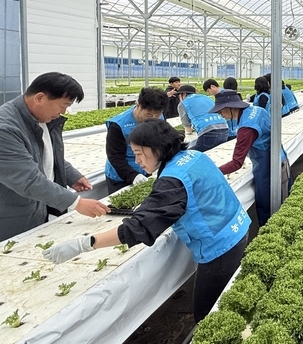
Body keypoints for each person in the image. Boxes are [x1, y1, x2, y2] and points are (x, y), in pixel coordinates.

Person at [43, 119, 250, 323]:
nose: (137, 161)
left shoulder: (173, 180)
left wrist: (85, 244)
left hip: (220, 247)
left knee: (207, 316)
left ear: (157, 149)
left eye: (139, 153)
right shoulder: (193, 156)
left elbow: (138, 227)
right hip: (237, 228)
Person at [0, 72, 110, 240]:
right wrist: (76, 202)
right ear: (40, 98)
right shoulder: (5, 129)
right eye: (63, 106)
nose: (63, 112)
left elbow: (45, 154)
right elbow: (28, 179)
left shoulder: (40, 119)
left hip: (35, 207)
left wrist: (71, 175)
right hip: (11, 218)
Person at [209, 90, 290, 226]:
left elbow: (236, 163)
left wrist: (213, 171)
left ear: (231, 107)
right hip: (280, 159)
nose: (220, 114)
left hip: (269, 167)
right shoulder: (257, 110)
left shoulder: (246, 128)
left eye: (221, 110)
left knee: (268, 207)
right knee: (283, 202)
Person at [104, 87, 167, 194]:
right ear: (138, 105)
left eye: (157, 114)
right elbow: (115, 156)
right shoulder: (118, 125)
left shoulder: (160, 118)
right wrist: (133, 176)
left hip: (146, 170)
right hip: (121, 176)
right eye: (149, 114)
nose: (153, 118)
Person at [176, 85, 230, 152]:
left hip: (208, 133)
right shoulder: (206, 98)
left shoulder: (183, 103)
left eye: (179, 96)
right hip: (225, 129)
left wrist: (189, 132)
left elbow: (187, 128)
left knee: (187, 153)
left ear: (184, 94)